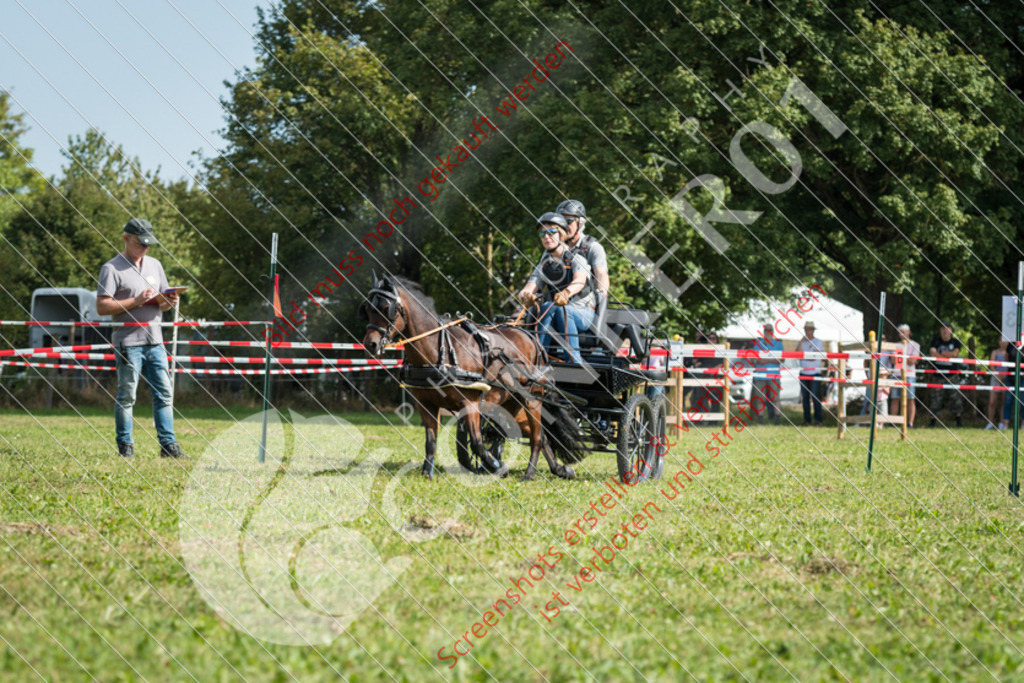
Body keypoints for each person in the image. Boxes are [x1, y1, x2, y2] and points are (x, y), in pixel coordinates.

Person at [96, 218, 188, 460]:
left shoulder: (155, 265)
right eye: (141, 243)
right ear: (126, 238)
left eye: (148, 244)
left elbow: (164, 304)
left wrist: (169, 302)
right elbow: (102, 307)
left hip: (156, 341)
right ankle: (125, 448)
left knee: (164, 394)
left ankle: (169, 447)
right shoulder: (111, 269)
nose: (145, 248)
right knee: (128, 396)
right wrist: (135, 301)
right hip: (128, 343)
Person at [517, 213, 595, 363]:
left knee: (562, 309)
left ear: (562, 235)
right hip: (556, 310)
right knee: (546, 306)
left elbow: (580, 280)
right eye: (542, 233)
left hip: (584, 312)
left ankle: (574, 361)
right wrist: (525, 296)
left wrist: (566, 293)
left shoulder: (577, 258)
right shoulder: (544, 264)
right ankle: (539, 358)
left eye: (552, 232)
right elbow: (529, 287)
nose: (547, 236)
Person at [556, 199, 609, 297]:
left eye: (568, 221)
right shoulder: (554, 248)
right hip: (554, 303)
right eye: (560, 222)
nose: (563, 226)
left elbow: (601, 273)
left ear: (580, 223)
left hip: (584, 305)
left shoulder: (593, 247)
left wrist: (602, 295)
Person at [928, 321, 963, 428]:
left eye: (947, 328)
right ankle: (932, 422)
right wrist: (948, 356)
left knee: (956, 398)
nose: (945, 331)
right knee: (935, 399)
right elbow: (932, 353)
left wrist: (941, 354)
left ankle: (959, 422)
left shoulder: (955, 342)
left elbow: (955, 354)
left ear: (951, 330)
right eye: (943, 328)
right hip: (938, 375)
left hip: (952, 375)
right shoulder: (935, 341)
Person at [752, 323, 783, 424]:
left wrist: (767, 361)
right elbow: (752, 358)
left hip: (773, 375)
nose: (768, 332)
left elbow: (782, 359)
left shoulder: (778, 344)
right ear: (763, 332)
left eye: (770, 330)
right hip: (760, 375)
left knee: (776, 399)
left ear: (773, 332)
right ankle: (760, 420)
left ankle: (777, 420)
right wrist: (757, 361)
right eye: (766, 330)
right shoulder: (758, 343)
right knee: (760, 399)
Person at [796, 321, 824, 426]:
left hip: (815, 373)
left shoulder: (818, 342)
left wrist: (804, 356)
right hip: (803, 373)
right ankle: (806, 420)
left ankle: (818, 420)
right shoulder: (801, 343)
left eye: (810, 329)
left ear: (813, 330)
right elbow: (797, 355)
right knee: (805, 398)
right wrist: (802, 342)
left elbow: (815, 357)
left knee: (816, 398)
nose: (808, 331)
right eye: (806, 329)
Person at [986, 339, 1008, 430]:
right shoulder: (994, 352)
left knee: (1004, 402)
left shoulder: (1009, 353)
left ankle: (1002, 423)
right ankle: (990, 422)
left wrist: (1004, 377)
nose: (1002, 342)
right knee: (992, 402)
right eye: (1000, 340)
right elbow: (991, 365)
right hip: (995, 378)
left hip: (1006, 378)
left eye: (1004, 340)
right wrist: (998, 376)